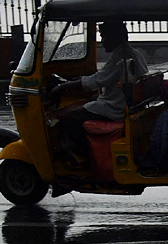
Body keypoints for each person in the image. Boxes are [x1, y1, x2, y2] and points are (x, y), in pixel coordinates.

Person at [51, 21, 149, 166]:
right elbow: (104, 76)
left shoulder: (119, 57)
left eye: (104, 37)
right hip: (122, 101)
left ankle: (83, 156)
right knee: (91, 100)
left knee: (69, 119)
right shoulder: (133, 53)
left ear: (115, 36)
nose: (102, 42)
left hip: (115, 108)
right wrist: (79, 80)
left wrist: (62, 87)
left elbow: (97, 81)